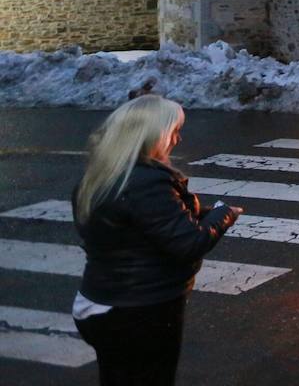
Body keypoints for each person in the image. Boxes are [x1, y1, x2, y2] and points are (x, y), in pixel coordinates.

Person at [72, 95, 242, 386]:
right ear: (151, 136)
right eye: (172, 131)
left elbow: (139, 222)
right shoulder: (146, 182)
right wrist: (224, 214)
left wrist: (198, 211)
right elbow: (189, 243)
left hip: (101, 302)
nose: (177, 139)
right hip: (139, 311)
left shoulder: (105, 175)